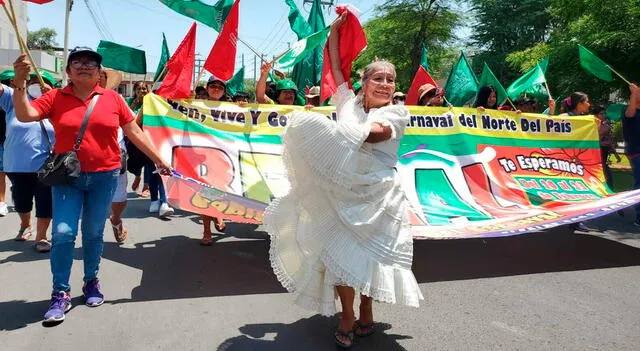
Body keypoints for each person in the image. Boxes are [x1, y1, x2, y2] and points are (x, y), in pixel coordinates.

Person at [265, 14, 423, 349]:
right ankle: (347, 314)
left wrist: (336, 130)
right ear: (363, 84)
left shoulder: (395, 112)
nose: (384, 84)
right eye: (377, 78)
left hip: (379, 199)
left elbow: (376, 136)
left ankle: (367, 304)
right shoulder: (348, 105)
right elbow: (336, 68)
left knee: (368, 258)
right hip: (341, 194)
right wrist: (335, 32)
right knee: (337, 255)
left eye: (390, 80)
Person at [12, 47, 172, 323]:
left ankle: (91, 281)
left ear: (99, 72)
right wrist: (20, 82)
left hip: (105, 176)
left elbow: (133, 130)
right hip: (67, 178)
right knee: (62, 233)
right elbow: (25, 115)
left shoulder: (113, 98)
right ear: (68, 71)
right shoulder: (55, 97)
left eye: (90, 62)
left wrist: (159, 159)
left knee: (93, 234)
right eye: (77, 62)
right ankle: (60, 293)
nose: (84, 65)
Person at [1, 70, 55, 252]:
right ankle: (26, 225)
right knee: (21, 200)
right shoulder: (14, 99)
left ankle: (42, 237)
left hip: (47, 164)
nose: (37, 84)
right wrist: (18, 77)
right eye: (32, 80)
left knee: (45, 200)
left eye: (42, 81)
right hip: (16, 164)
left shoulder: (57, 104)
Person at [100, 69, 128, 244]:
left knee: (120, 198)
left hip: (117, 156)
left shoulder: (118, 100)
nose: (99, 79)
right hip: (89, 159)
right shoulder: (79, 100)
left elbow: (133, 126)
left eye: (102, 76)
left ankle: (115, 219)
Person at [126, 81, 150, 197]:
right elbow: (127, 118)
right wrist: (135, 105)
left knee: (148, 161)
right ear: (135, 91)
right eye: (139, 89)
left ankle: (146, 186)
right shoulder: (130, 102)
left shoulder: (152, 102)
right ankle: (137, 176)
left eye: (144, 89)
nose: (142, 91)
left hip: (148, 134)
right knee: (133, 162)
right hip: (134, 136)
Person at [623, 84, 640, 226]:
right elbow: (630, 113)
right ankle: (639, 216)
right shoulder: (628, 111)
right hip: (637, 152)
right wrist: (634, 93)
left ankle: (625, 202)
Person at [593, 105, 620, 190]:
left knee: (605, 170)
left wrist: (616, 154)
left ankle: (609, 188)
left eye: (604, 113)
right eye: (601, 114)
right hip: (593, 151)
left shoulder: (606, 127)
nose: (604, 115)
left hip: (603, 151)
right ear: (596, 115)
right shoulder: (591, 126)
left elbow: (609, 142)